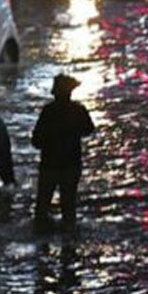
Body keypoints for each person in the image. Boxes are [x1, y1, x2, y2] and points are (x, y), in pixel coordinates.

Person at [31, 73, 95, 227]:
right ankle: (69, 245)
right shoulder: (79, 110)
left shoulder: (48, 111)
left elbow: (36, 140)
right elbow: (88, 130)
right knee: (69, 207)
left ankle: (42, 244)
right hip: (71, 164)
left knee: (42, 207)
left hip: (49, 164)